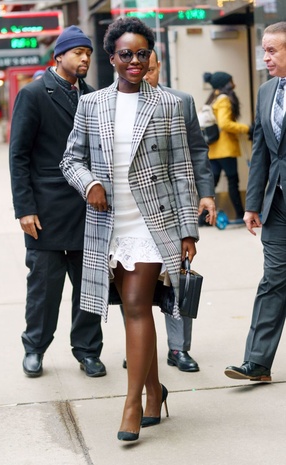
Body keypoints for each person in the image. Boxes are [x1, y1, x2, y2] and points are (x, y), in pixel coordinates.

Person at [60, 17, 200, 442]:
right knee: (133, 312)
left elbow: (181, 169)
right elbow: (70, 160)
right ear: (112, 58)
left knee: (138, 306)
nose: (134, 61)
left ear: (150, 56)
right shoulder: (91, 104)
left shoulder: (169, 104)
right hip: (109, 223)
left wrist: (188, 231)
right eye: (126, 54)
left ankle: (132, 404)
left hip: (153, 221)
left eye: (142, 53)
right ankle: (156, 393)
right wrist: (92, 184)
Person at [9, 25, 106, 379]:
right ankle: (34, 348)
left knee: (90, 286)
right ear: (59, 56)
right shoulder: (34, 94)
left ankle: (87, 350)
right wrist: (24, 208)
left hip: (88, 207)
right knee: (44, 288)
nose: (84, 58)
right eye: (78, 52)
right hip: (45, 210)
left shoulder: (93, 96)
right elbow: (18, 155)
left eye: (88, 54)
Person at [127, 48, 214, 373]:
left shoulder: (180, 101)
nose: (144, 76)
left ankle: (178, 348)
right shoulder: (117, 106)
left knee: (178, 278)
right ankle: (140, 346)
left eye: (149, 70)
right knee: (137, 281)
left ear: (158, 67)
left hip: (174, 207)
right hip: (134, 212)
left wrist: (206, 194)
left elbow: (197, 151)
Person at [224, 21, 286, 382]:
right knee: (273, 281)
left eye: (272, 50)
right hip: (276, 203)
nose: (265, 57)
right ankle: (257, 363)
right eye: (264, 50)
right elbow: (262, 150)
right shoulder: (265, 91)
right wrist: (251, 203)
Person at [201, 71, 252, 224]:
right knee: (232, 182)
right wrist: (247, 128)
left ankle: (202, 219)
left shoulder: (213, 98)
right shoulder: (224, 99)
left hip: (214, 149)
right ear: (226, 84)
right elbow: (225, 124)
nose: (233, 83)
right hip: (226, 149)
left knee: (211, 184)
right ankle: (239, 215)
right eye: (231, 80)